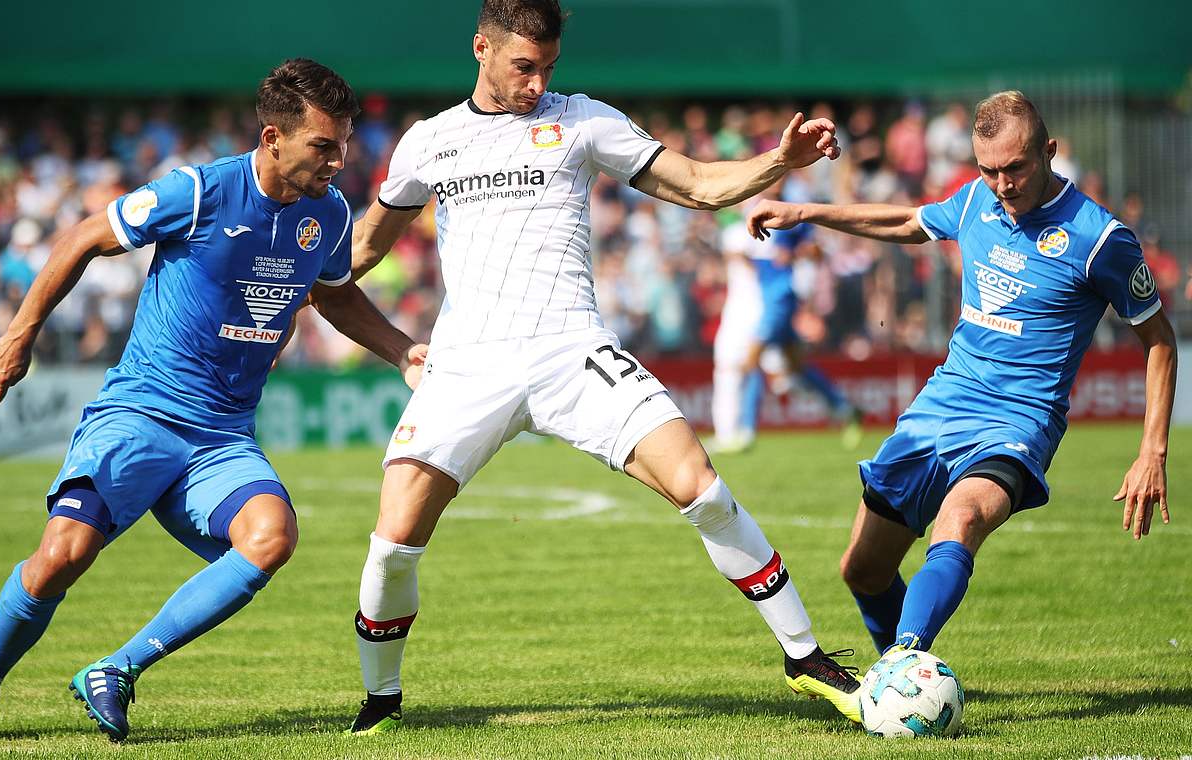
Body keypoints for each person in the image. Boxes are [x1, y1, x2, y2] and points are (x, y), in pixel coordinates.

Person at [344, 0, 862, 734]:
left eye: (548, 67)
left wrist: (781, 162)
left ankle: (804, 657)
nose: (537, 83)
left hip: (571, 349)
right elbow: (362, 252)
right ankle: (381, 703)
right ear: (480, 50)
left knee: (702, 487)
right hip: (467, 364)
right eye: (524, 66)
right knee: (394, 541)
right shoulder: (428, 143)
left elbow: (698, 185)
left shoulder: (584, 120)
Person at [0, 59, 426, 744]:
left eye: (342, 145)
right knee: (59, 559)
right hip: (141, 416)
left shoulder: (328, 212)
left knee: (271, 537)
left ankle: (118, 669)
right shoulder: (199, 191)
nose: (338, 161)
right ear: (273, 136)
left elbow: (332, 293)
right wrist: (20, 332)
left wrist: (402, 350)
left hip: (221, 437)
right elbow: (83, 237)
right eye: (323, 146)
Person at [746, 91, 1176, 666]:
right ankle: (904, 678)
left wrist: (1152, 451)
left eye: (1016, 168)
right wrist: (805, 213)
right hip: (943, 403)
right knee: (864, 570)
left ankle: (902, 668)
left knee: (962, 517)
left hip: (1017, 423)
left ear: (1049, 152)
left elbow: (1159, 340)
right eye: (989, 170)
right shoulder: (977, 201)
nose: (1003, 184)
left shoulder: (1100, 240)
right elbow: (908, 219)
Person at [712, 190, 861, 454]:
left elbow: (813, 250)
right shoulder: (752, 224)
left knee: (751, 361)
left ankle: (745, 431)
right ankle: (844, 409)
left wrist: (794, 256)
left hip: (778, 303)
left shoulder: (787, 220)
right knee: (796, 367)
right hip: (774, 301)